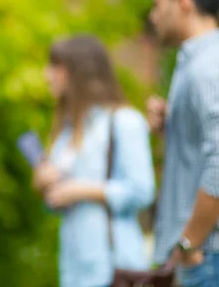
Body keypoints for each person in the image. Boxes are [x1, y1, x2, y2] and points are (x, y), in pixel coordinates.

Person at [33, 35, 155, 287]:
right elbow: (57, 201)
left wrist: (83, 190)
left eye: (56, 67)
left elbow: (142, 191)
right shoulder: (68, 129)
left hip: (114, 265)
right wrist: (46, 185)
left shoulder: (123, 121)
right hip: (75, 269)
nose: (47, 75)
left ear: (80, 71)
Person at [148, 0, 219, 286]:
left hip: (207, 256)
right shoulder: (195, 61)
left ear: (183, 2)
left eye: (157, 4)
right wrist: (170, 125)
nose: (153, 16)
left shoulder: (209, 66)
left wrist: (190, 241)